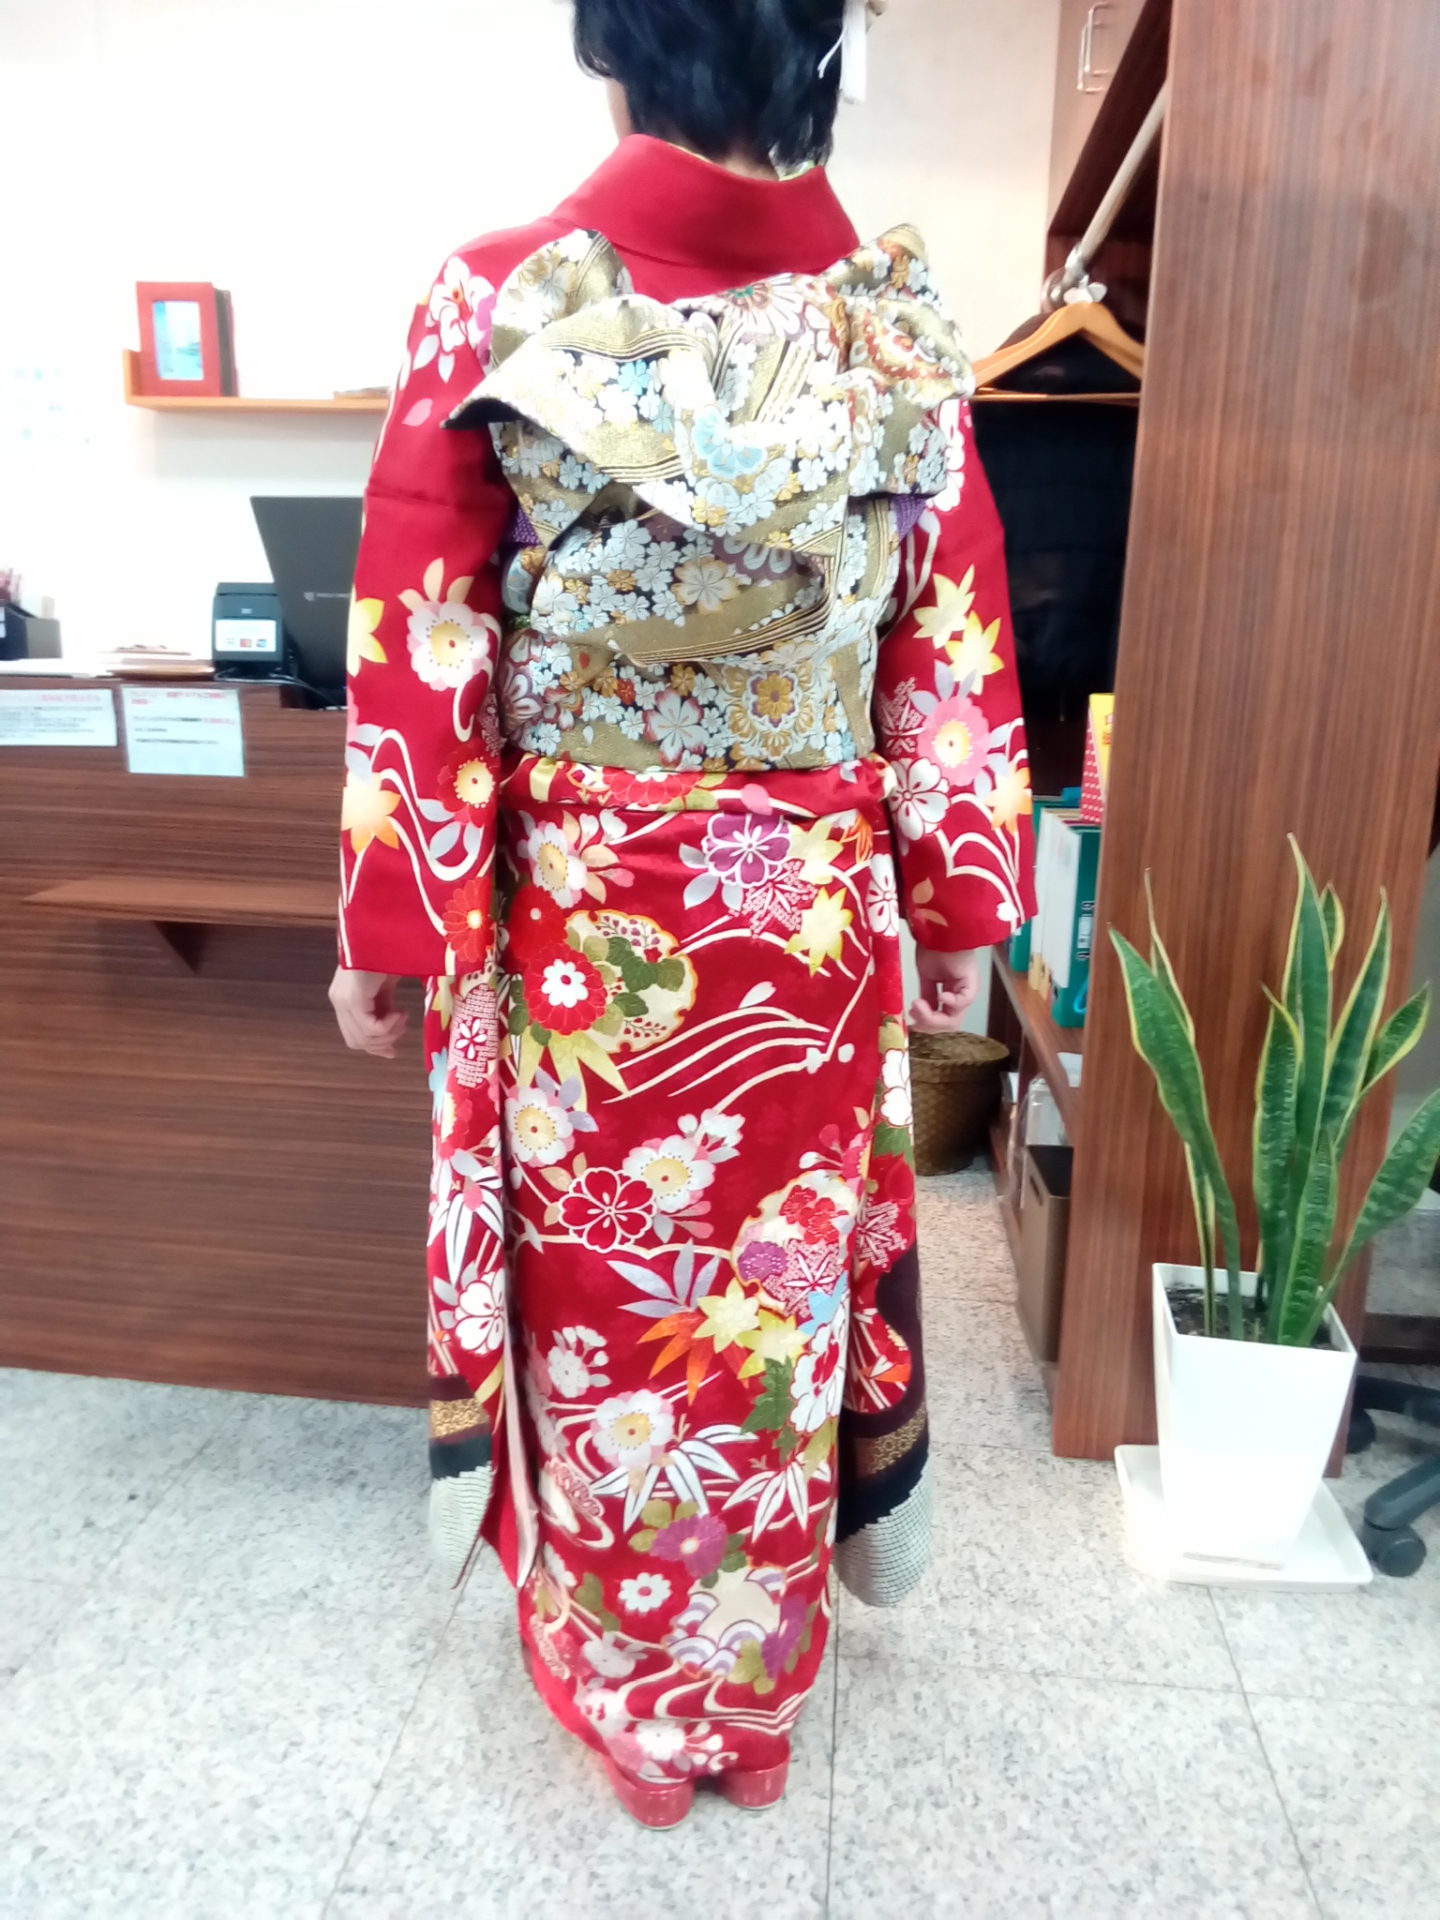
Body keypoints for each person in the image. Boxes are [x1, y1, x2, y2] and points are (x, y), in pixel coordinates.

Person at [330, 0, 1035, 1828]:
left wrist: (394, 925)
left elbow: (424, 633)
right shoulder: (890, 321)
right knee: (767, 1309)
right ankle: (752, 1691)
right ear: (823, 53)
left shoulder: (493, 297)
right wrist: (959, 891)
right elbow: (945, 629)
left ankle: (637, 1701)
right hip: (807, 923)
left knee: (611, 1304)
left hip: (587, 929)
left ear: (607, 49)